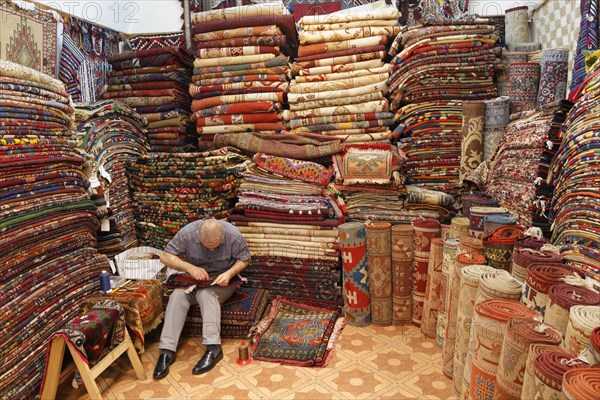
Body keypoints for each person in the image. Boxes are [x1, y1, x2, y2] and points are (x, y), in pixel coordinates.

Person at [153, 218, 250, 379]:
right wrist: (189, 268)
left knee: (206, 294)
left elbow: (245, 259)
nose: (212, 250)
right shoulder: (188, 233)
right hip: (193, 280)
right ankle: (166, 351)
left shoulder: (233, 235)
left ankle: (213, 347)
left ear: (222, 236)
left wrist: (229, 273)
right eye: (207, 246)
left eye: (216, 246)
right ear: (198, 236)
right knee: (177, 295)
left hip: (222, 282)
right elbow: (165, 256)